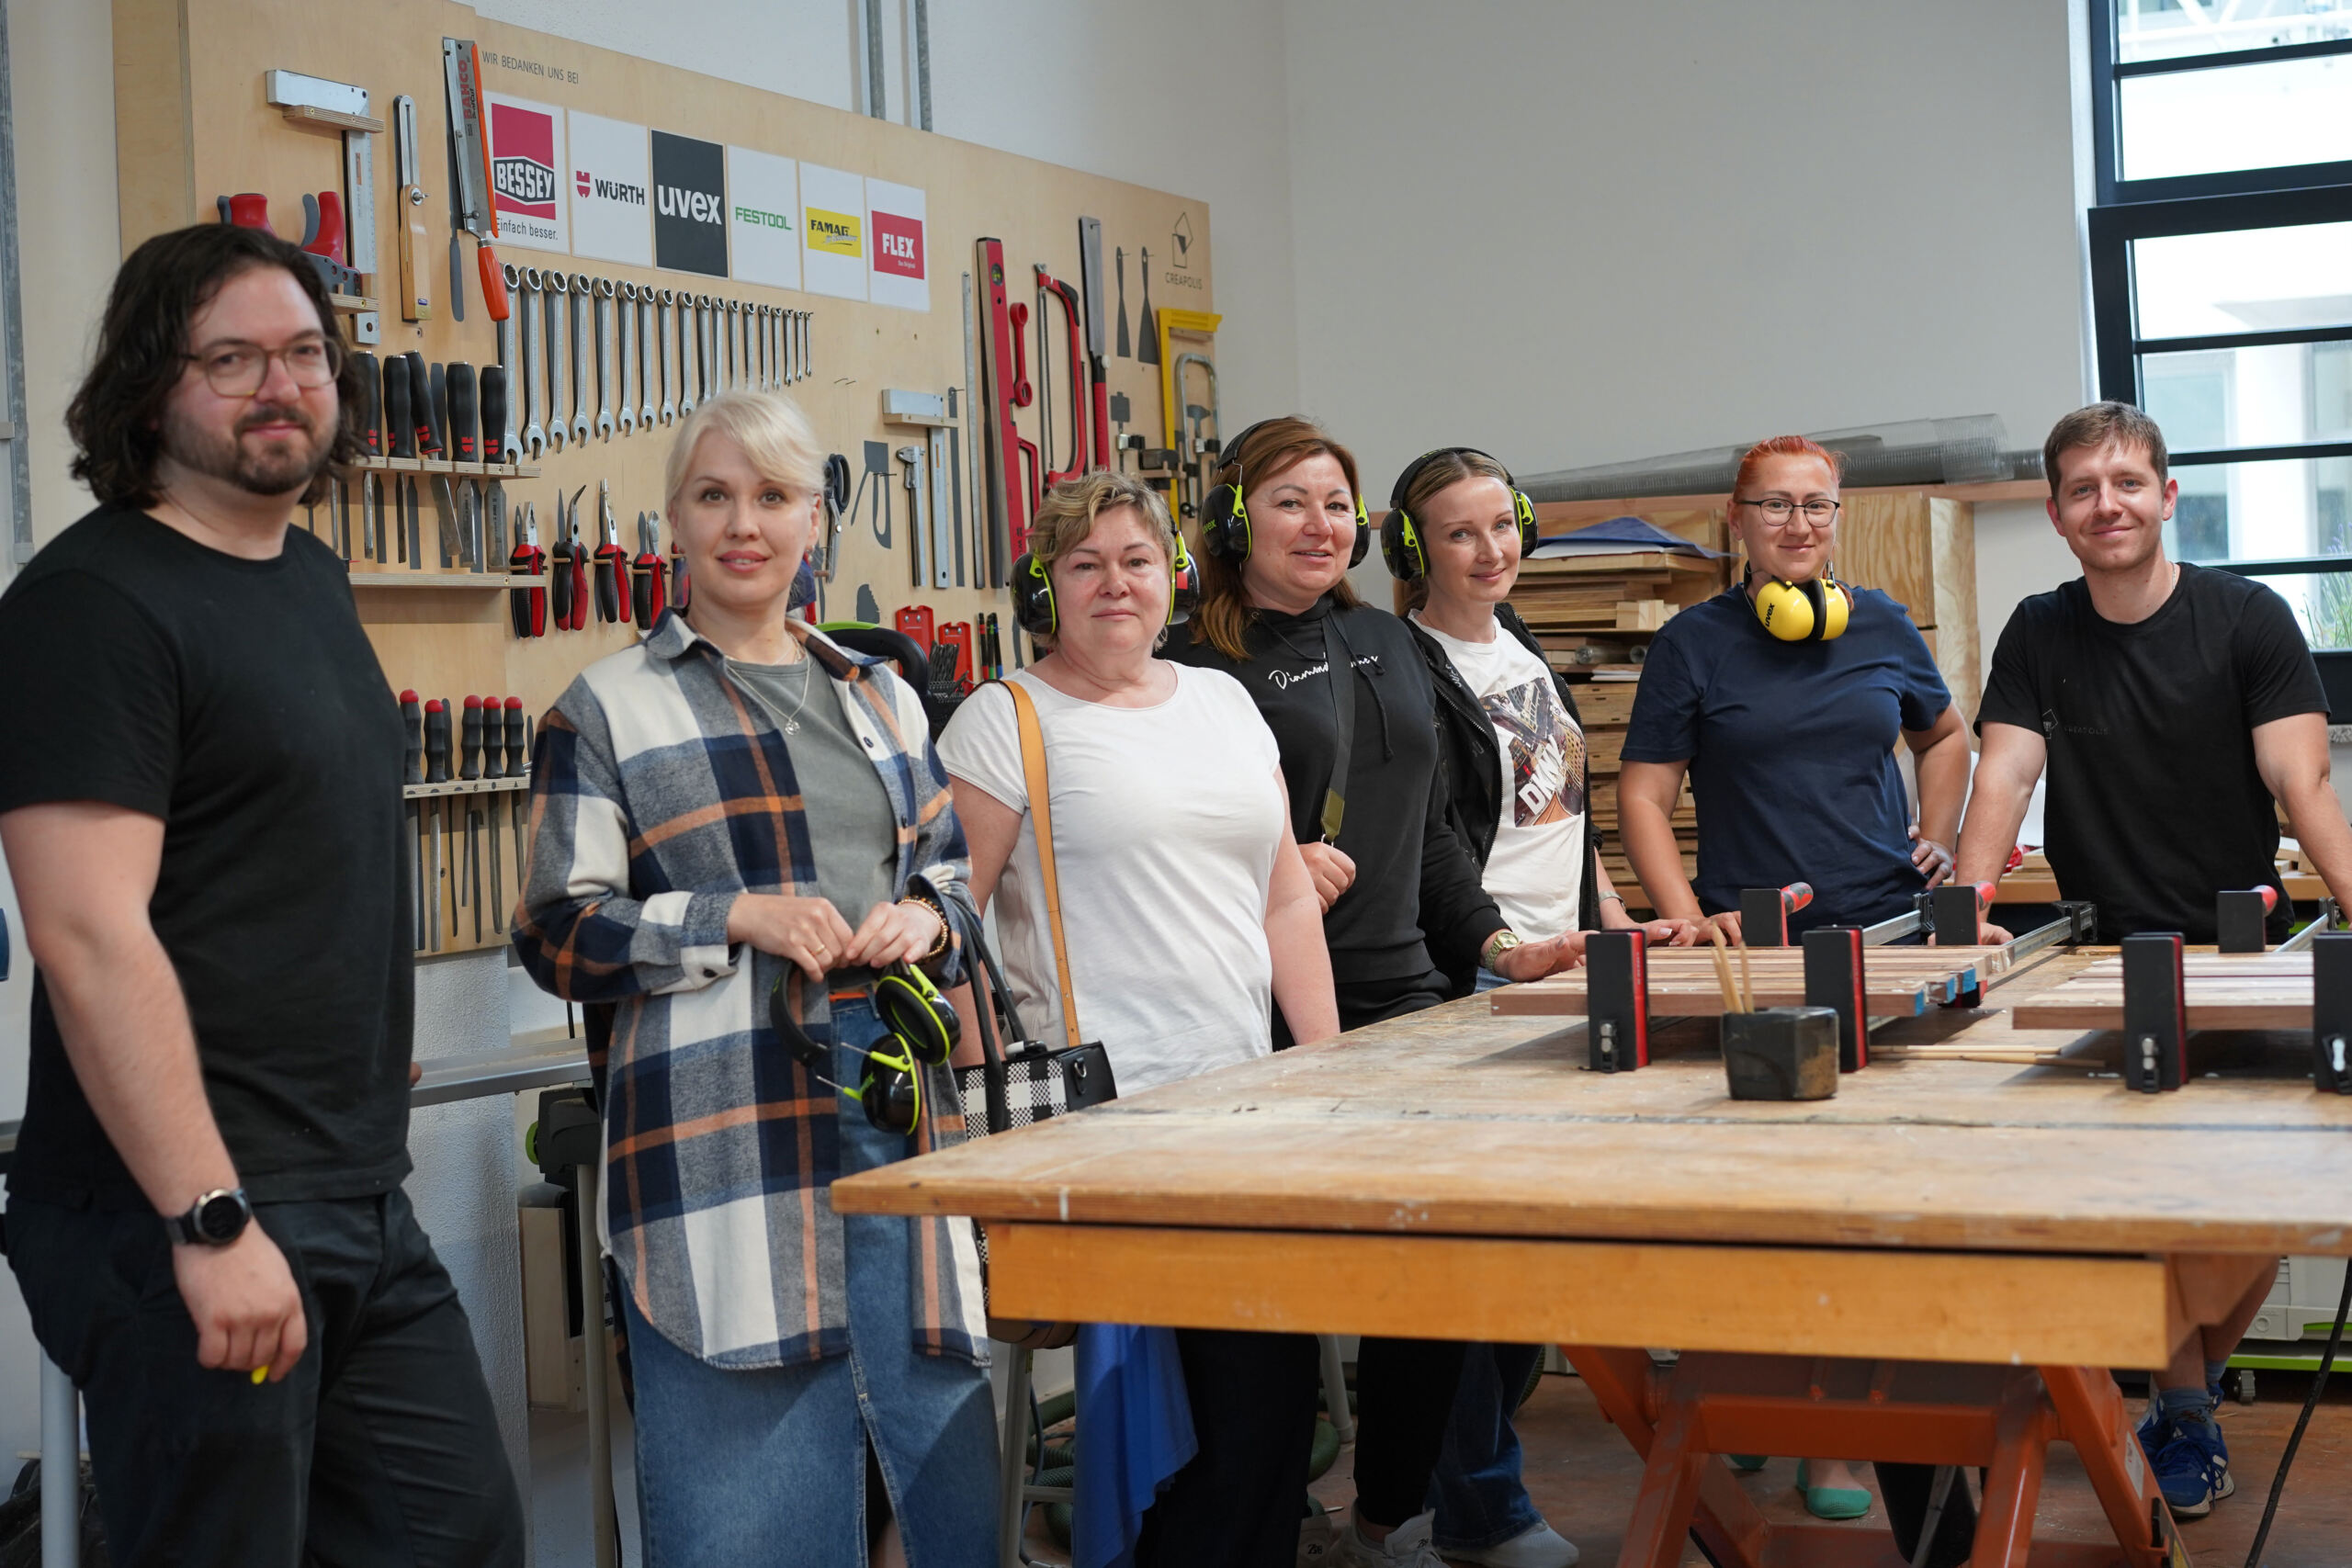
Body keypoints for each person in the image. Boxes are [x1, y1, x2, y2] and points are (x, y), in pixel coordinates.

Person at [0, 224, 524, 1564]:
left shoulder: (310, 577)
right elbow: (85, 929)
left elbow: (286, 861)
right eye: (229, 358)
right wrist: (208, 1215)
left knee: (455, 1530)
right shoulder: (90, 604)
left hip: (349, 1188)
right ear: (148, 386)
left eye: (301, 354)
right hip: (184, 1211)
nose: (276, 385)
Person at [513, 389, 996, 1566]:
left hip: (897, 1129)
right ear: (672, 521)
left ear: (815, 519)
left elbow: (955, 881)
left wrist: (920, 925)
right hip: (721, 1143)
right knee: (746, 1504)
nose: (746, 524)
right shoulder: (605, 709)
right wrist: (734, 918)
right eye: (715, 496)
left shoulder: (879, 694)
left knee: (946, 1504)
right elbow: (555, 933)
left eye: (774, 497)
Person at [1166, 416, 1583, 1568]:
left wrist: (1497, 947)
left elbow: (1436, 832)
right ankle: (1263, 1512)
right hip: (1265, 1015)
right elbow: (1165, 844)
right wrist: (1267, 866)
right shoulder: (1196, 663)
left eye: (1336, 502)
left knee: (1460, 1274)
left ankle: (1393, 1511)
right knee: (1276, 1305)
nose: (1319, 524)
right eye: (1291, 501)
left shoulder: (1394, 645)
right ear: (1236, 518)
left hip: (1413, 995)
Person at [1953, 400, 2352, 1522]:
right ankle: (2183, 1407)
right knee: (2142, 1215)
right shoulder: (2039, 630)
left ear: (2167, 495)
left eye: (2127, 482)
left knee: (2259, 1213)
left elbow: (2305, 786)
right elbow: (2002, 780)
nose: (2107, 504)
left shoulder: (2247, 620)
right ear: (2056, 515)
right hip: (2095, 958)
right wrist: (1962, 911)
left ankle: (2175, 1386)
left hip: (2237, 956)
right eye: (2082, 489)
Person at [938, 468, 1340, 1567]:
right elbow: (947, 930)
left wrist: (1327, 1067)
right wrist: (997, 1104)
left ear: (1175, 576)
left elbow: (1282, 896)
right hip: (1111, 1125)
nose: (1115, 585)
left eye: (1137, 561)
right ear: (1046, 587)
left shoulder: (1222, 701)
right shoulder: (1005, 720)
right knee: (1163, 1428)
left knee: (1265, 1402)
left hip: (1249, 1112)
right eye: (1085, 565)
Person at [1616, 434, 1970, 1517]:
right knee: (1761, 1197)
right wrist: (1685, 926)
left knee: (1869, 1195)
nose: (1797, 525)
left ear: (1839, 516)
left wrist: (1937, 832)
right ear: (1737, 520)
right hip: (1754, 954)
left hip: (1884, 938)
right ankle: (1765, 1389)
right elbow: (1642, 791)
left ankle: (1836, 1434)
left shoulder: (1883, 625)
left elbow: (1946, 736)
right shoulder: (1694, 643)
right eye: (1774, 507)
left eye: (1816, 506)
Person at [1389, 446, 1700, 1567]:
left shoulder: (1518, 648)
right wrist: (1503, 949)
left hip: (1564, 966)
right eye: (1460, 534)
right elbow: (1429, 842)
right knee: (1474, 1265)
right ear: (1414, 550)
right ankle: (1478, 1502)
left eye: (1501, 526)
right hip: (1480, 979)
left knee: (1533, 1255)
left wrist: (1612, 918)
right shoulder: (1407, 663)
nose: (1490, 551)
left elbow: (1559, 818)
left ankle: (1456, 1488)